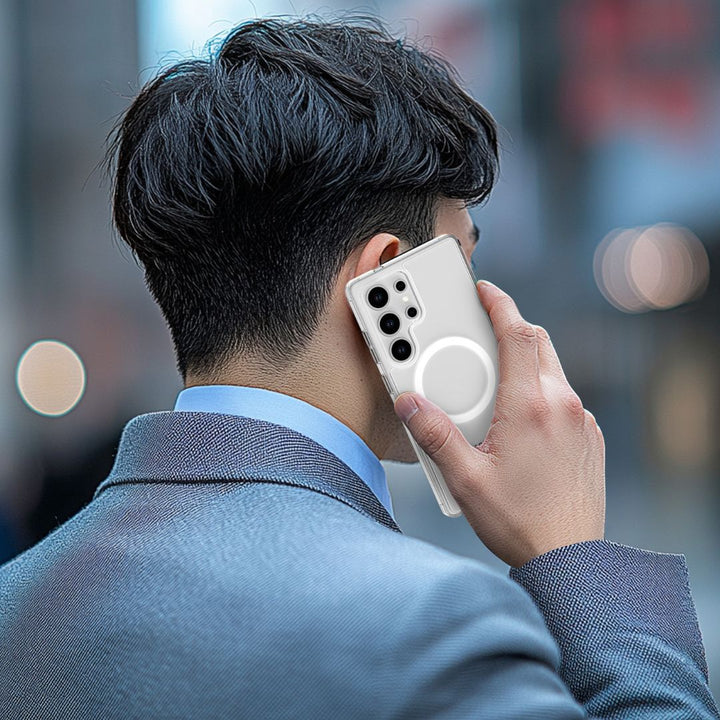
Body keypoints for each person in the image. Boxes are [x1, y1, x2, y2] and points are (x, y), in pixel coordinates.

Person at [0, 15, 717, 719]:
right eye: (464, 259)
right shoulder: (434, 627)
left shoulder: (18, 599)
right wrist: (573, 557)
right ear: (391, 279)